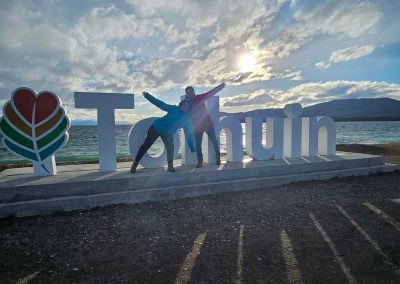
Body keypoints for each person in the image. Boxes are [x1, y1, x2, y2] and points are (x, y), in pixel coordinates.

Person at [130, 91, 195, 173]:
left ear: (189, 109)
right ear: (181, 105)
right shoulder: (173, 109)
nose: (185, 107)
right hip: (156, 127)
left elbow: (188, 134)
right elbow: (160, 104)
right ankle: (135, 164)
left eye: (187, 106)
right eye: (184, 105)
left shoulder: (186, 120)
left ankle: (170, 165)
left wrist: (192, 147)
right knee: (146, 145)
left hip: (167, 133)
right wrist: (148, 96)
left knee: (170, 148)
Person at [185, 82, 226, 168]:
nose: (190, 94)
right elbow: (183, 113)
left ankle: (218, 158)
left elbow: (210, 93)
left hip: (208, 124)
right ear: (186, 94)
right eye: (188, 93)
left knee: (214, 141)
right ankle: (200, 161)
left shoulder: (199, 97)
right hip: (197, 127)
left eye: (191, 92)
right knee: (198, 145)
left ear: (194, 92)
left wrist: (220, 87)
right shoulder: (186, 104)